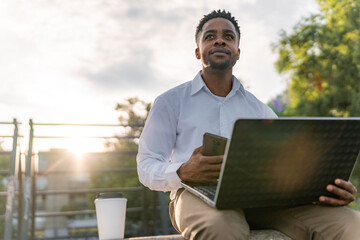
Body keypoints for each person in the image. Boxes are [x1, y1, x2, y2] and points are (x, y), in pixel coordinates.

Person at [137, 10, 360, 240]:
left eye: (229, 36)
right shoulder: (170, 102)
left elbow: (285, 167)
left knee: (351, 223)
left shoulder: (260, 110)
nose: (220, 40)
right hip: (197, 194)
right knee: (221, 228)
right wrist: (182, 171)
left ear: (238, 53)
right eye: (210, 36)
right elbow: (146, 165)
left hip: (263, 201)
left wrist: (327, 188)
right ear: (197, 52)